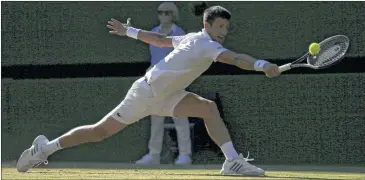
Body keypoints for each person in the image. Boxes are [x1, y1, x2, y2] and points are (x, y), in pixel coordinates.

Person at [16, 4, 281, 176]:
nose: (224, 32)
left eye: (226, 27)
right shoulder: (204, 44)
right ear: (207, 26)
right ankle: (43, 149)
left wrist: (128, 30)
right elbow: (235, 58)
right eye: (220, 27)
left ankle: (232, 161)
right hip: (145, 93)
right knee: (99, 133)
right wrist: (261, 65)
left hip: (170, 96)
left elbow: (160, 40)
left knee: (207, 108)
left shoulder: (191, 39)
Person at [136, 2, 192, 165]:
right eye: (161, 12)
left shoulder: (179, 33)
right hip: (156, 80)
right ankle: (153, 155)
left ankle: (184, 155)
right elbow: (154, 57)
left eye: (167, 13)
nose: (163, 15)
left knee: (179, 116)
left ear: (173, 15)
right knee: (156, 117)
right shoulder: (153, 32)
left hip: (175, 80)